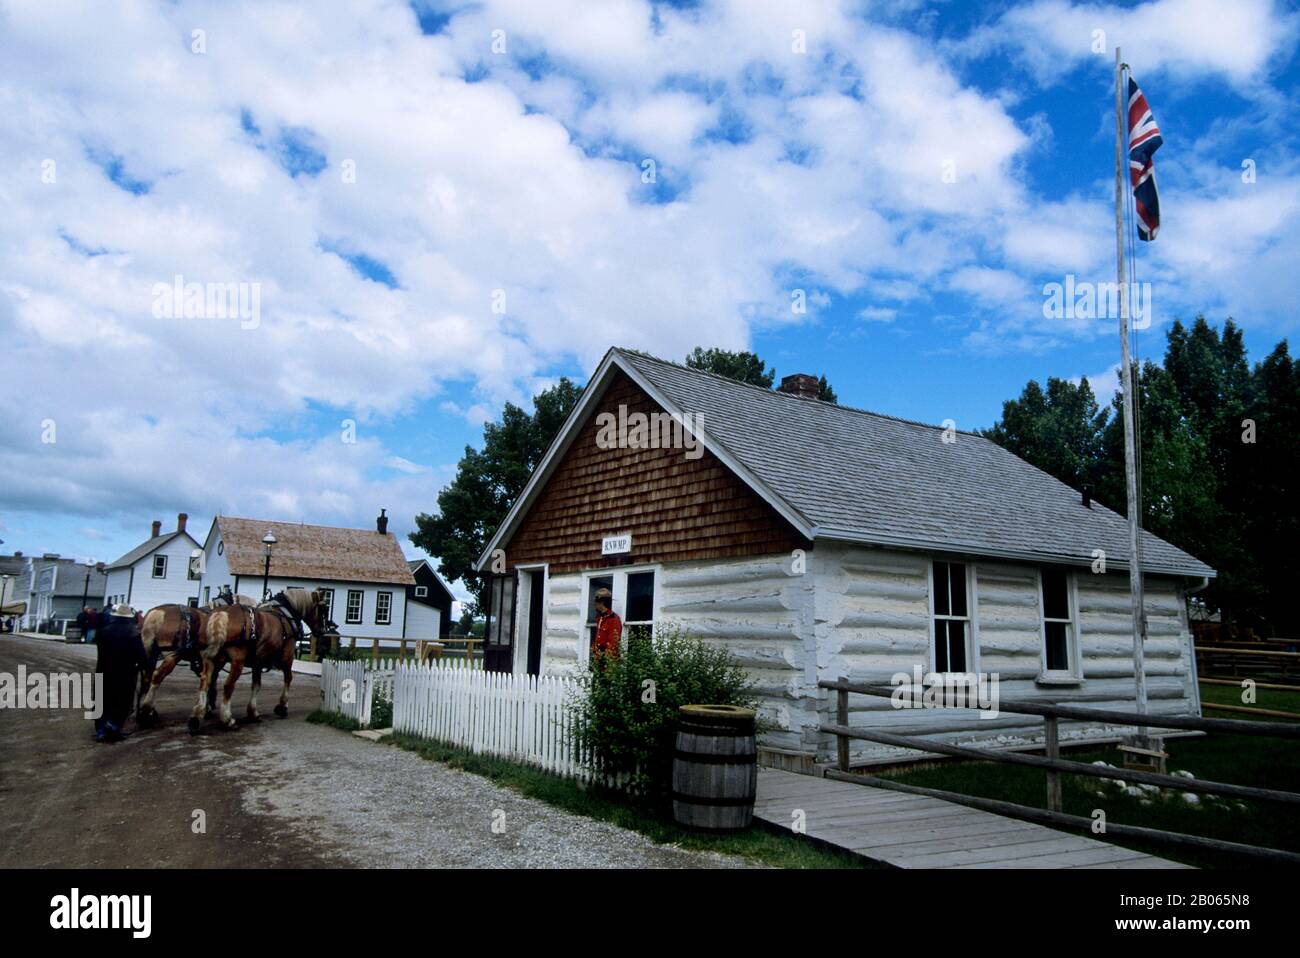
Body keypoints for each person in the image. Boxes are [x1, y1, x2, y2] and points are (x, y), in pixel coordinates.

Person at [93, 604, 148, 743]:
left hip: (103, 670)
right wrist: (144, 666)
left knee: (101, 700)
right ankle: (114, 726)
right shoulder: (133, 633)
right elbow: (141, 656)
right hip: (125, 673)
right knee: (121, 701)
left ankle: (100, 730)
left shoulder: (102, 632)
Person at [591, 588, 622, 666]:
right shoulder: (599, 617)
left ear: (602, 603)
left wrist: (605, 660)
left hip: (608, 663)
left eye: (596, 602)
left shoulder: (613, 619)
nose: (595, 604)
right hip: (598, 660)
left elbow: (613, 643)